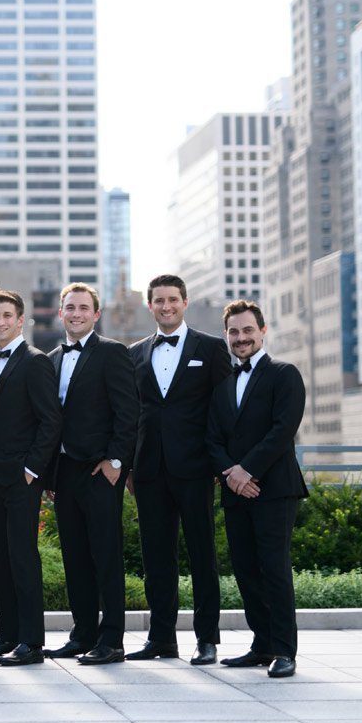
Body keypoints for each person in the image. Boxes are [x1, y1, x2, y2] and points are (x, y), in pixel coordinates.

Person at [126, 275, 231, 666]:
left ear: (185, 302)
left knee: (203, 557)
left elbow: (224, 411)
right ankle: (161, 638)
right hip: (150, 470)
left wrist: (223, 464)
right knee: (156, 558)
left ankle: (207, 640)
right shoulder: (134, 353)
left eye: (172, 299)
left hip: (196, 467)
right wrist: (131, 465)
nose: (166, 306)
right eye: (158, 300)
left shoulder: (212, 348)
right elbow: (132, 414)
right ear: (149, 306)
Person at [207, 300, 307, 679]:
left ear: (263, 331)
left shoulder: (285, 374)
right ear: (227, 336)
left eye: (248, 330)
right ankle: (261, 644)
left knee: (274, 569)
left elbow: (282, 431)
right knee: (246, 570)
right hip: (236, 491)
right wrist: (232, 474)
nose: (241, 337)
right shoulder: (222, 387)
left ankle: (284, 649)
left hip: (275, 489)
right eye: (234, 332)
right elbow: (212, 438)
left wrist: (246, 470)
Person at [44, 282, 138, 666]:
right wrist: (50, 475)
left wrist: (117, 462)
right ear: (60, 313)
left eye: (84, 307)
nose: (77, 313)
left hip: (100, 471)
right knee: (75, 557)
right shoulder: (50, 358)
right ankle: (82, 633)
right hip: (65, 473)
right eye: (70, 307)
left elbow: (129, 411)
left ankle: (112, 639)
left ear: (96, 314)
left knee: (105, 555)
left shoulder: (113, 353)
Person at [0, 288, 61, 666]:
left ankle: (32, 642)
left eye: (8, 315)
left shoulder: (35, 361)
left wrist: (31, 470)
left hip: (22, 477)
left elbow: (51, 420)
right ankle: (6, 635)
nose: (1, 321)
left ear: (21, 320)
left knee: (23, 557)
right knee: (1, 558)